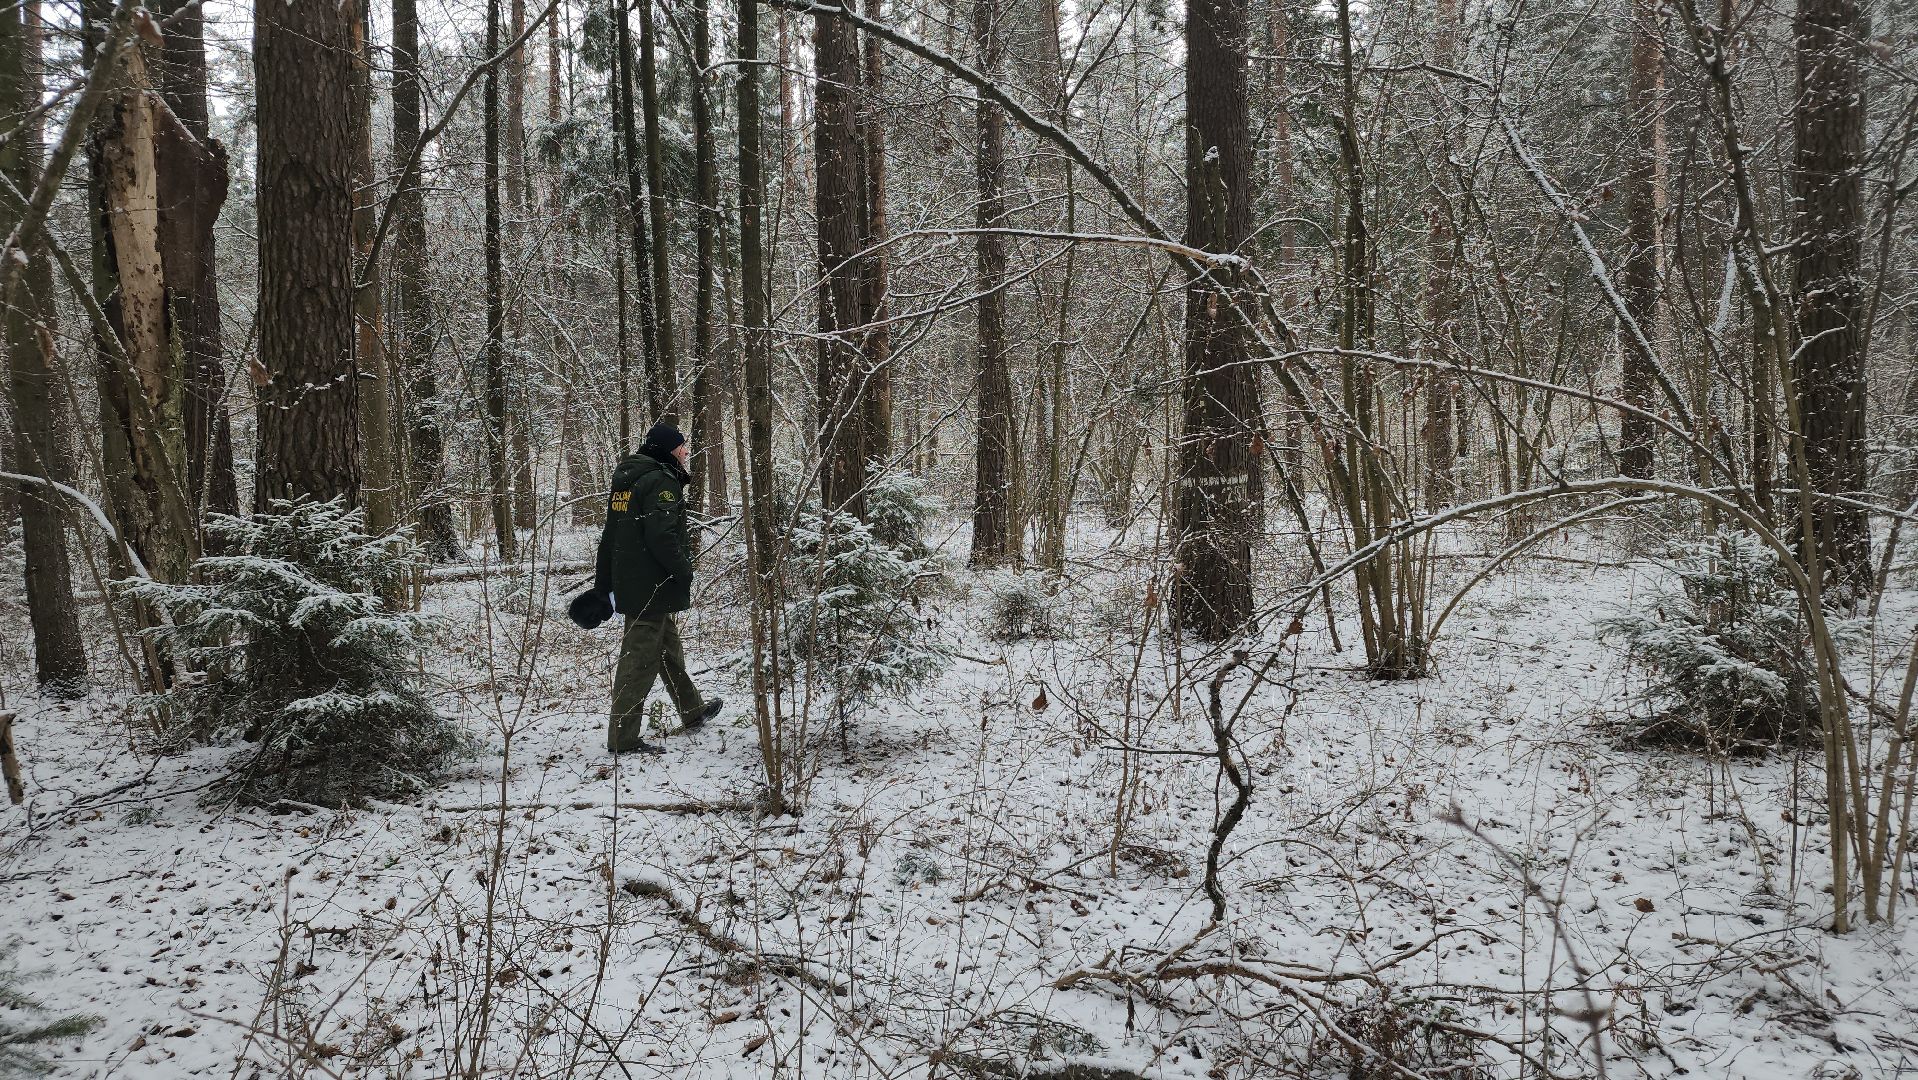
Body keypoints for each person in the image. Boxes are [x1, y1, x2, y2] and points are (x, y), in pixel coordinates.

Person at [593, 422, 723, 754]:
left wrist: (604, 581)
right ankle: (623, 738)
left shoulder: (627, 481)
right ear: (668, 449)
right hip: (651, 585)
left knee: (667, 649)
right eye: (681, 446)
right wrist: (684, 570)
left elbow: (611, 535)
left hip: (636, 582)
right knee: (638, 661)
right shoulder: (660, 481)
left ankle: (691, 709)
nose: (686, 451)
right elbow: (662, 536)